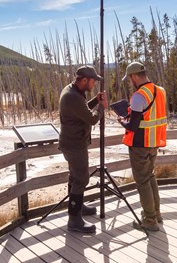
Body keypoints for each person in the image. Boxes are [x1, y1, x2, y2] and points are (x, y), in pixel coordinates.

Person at [117, 62, 167, 232]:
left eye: (130, 78)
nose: (130, 82)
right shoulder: (160, 91)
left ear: (134, 76)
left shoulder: (139, 96)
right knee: (150, 176)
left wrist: (122, 121)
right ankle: (156, 213)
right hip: (155, 142)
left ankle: (150, 220)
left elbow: (132, 126)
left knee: (142, 181)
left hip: (140, 144)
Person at [58, 65, 107, 234]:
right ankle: (74, 220)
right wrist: (101, 106)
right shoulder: (72, 96)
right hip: (74, 145)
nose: (94, 84)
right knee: (81, 180)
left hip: (72, 142)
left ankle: (77, 208)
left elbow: (82, 108)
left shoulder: (72, 91)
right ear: (84, 80)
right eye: (93, 81)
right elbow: (92, 118)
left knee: (75, 177)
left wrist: (95, 101)